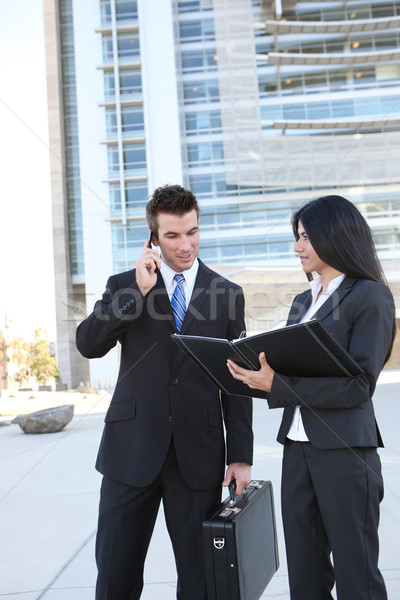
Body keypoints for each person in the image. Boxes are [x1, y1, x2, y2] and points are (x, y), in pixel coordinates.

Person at [76, 184, 253, 600]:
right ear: (153, 238)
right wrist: (135, 292)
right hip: (130, 452)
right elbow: (88, 343)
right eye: (172, 236)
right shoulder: (125, 284)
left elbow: (238, 381)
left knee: (200, 580)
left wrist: (240, 455)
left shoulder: (227, 294)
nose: (185, 244)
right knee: (115, 575)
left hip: (197, 456)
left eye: (192, 231)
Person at [227, 195, 396, 600]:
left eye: (305, 237)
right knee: (304, 571)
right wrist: (251, 364)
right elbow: (288, 367)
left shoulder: (370, 296)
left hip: (345, 451)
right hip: (298, 449)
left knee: (356, 575)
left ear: (334, 236)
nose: (297, 247)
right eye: (297, 236)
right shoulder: (305, 301)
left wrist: (278, 385)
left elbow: (359, 384)